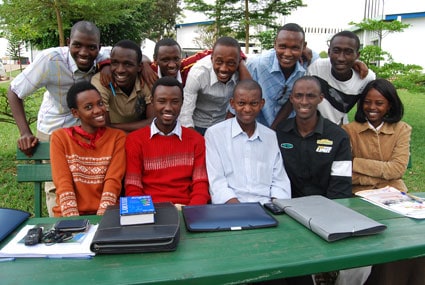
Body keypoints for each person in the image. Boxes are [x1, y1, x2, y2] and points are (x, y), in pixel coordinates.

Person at [7, 20, 109, 216]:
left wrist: (106, 64)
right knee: (57, 183)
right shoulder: (49, 59)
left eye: (91, 47)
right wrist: (24, 132)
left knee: (84, 180)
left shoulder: (103, 56)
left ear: (99, 47)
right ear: (68, 42)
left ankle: (87, 225)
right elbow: (14, 91)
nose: (84, 52)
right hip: (54, 128)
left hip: (85, 129)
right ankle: (60, 226)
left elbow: (141, 57)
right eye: (77, 45)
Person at [276, 76, 353, 285]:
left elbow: (341, 187)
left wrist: (325, 221)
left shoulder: (338, 136)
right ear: (291, 98)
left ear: (321, 98)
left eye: (310, 96)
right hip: (286, 214)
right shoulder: (279, 133)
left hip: (327, 213)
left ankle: (326, 272)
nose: (304, 101)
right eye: (298, 96)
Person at [125, 76, 210, 208]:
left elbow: (201, 184)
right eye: (162, 101)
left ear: (182, 103)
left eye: (175, 102)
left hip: (186, 209)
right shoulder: (135, 140)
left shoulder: (196, 140)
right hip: (150, 210)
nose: (168, 108)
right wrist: (146, 213)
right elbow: (133, 186)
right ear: (152, 102)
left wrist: (192, 212)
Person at [205, 79, 291, 204]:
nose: (247, 109)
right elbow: (217, 182)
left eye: (254, 103)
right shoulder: (215, 134)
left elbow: (279, 180)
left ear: (262, 104)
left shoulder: (271, 137)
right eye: (241, 103)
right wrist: (241, 210)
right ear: (232, 104)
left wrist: (276, 207)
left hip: (267, 206)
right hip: (231, 207)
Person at [50, 81, 126, 217]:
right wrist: (74, 222)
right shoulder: (60, 137)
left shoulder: (117, 137)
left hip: (107, 213)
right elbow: (63, 182)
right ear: (75, 113)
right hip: (69, 214)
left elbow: (113, 180)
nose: (98, 110)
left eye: (100, 103)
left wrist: (101, 219)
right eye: (89, 107)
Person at [342, 79, 411, 193]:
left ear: (390, 105)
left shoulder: (401, 129)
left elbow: (397, 169)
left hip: (394, 193)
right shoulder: (348, 130)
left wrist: (356, 162)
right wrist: (382, 179)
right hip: (358, 194)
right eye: (367, 102)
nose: (372, 107)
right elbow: (344, 171)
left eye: (379, 103)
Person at [307, 30, 376, 125]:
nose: (341, 58)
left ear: (357, 55)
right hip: (313, 128)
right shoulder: (316, 68)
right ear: (329, 52)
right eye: (336, 51)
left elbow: (364, 112)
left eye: (348, 52)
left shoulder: (366, 78)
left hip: (341, 129)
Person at [179, 36, 244, 135]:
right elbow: (185, 114)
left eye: (231, 63)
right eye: (219, 62)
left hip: (223, 125)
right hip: (197, 125)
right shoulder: (198, 74)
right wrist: (193, 139)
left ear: (239, 61)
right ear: (212, 58)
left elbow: (246, 95)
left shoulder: (241, 73)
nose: (224, 69)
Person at [91, 40, 154, 133]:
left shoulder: (147, 79)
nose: (120, 70)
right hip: (111, 138)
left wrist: (112, 127)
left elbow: (153, 123)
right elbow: (103, 127)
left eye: (128, 64)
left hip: (139, 136)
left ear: (140, 67)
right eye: (115, 63)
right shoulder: (101, 81)